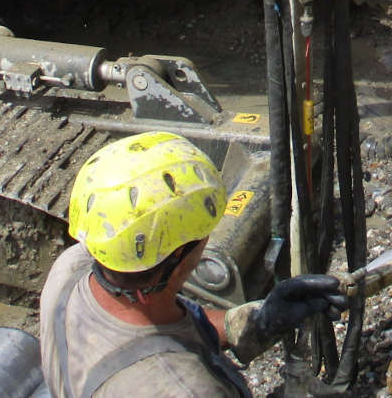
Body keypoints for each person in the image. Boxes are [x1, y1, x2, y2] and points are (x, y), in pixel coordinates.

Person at [41, 131, 349, 398]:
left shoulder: (72, 268)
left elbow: (174, 323)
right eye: (204, 235)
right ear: (177, 258)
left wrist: (255, 321)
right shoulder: (184, 388)